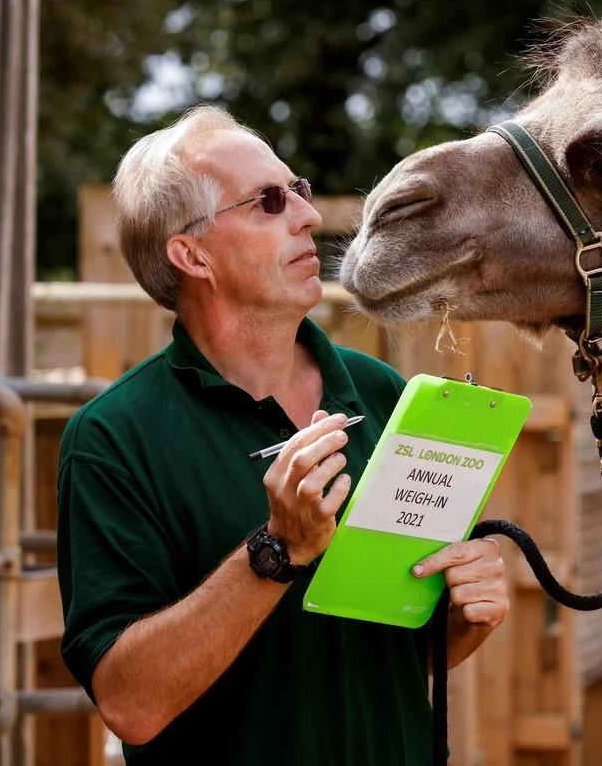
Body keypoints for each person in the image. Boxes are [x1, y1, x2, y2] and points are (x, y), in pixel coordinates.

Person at [57, 105, 509, 764]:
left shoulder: (380, 392)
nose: (307, 215)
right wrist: (275, 551)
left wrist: (463, 618)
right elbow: (132, 705)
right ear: (192, 254)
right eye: (269, 201)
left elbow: (396, 653)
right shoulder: (114, 438)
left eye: (295, 189)